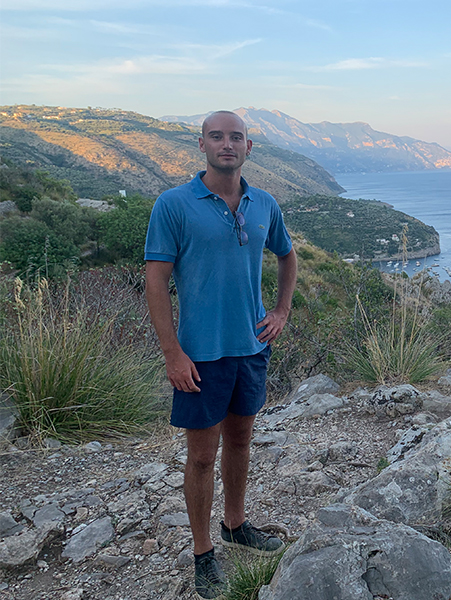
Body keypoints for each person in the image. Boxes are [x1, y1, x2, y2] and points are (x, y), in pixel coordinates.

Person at [144, 111, 297, 599]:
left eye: (236, 137)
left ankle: (235, 525)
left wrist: (280, 311)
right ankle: (203, 553)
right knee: (202, 456)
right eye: (217, 136)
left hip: (250, 348)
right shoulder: (173, 204)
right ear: (202, 145)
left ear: (249, 148)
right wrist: (172, 352)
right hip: (200, 355)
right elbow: (156, 281)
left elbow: (287, 256)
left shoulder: (264, 203)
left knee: (241, 441)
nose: (226, 144)